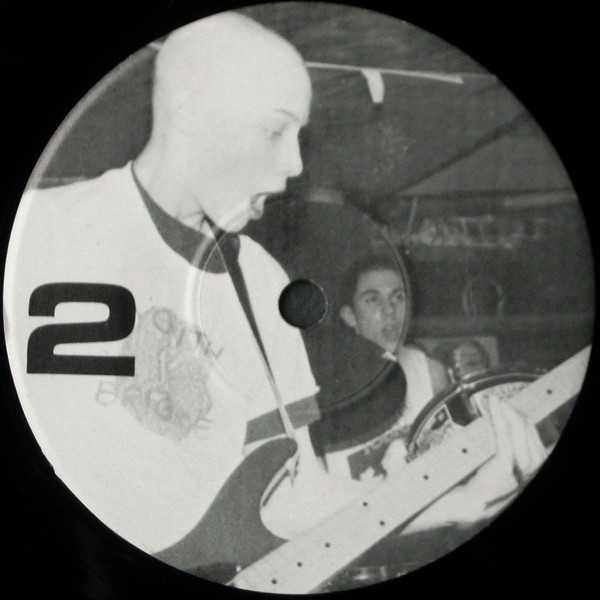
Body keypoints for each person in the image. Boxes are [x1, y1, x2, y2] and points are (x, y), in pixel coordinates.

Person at [3, 11, 547, 588]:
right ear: (187, 111)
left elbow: (293, 494)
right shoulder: (36, 231)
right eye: (274, 132)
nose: (295, 165)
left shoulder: (261, 280)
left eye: (299, 136)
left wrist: (455, 502)